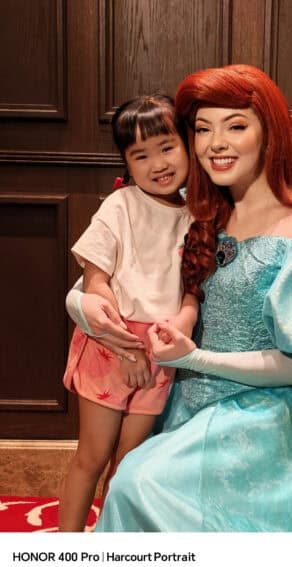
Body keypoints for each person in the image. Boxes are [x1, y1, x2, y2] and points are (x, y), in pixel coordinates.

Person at [70, 65, 292, 531]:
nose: (216, 143)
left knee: (139, 483)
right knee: (126, 473)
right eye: (203, 129)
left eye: (235, 126)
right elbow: (108, 281)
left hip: (267, 414)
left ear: (269, 133)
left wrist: (195, 358)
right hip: (181, 399)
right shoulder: (199, 210)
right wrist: (81, 305)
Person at [59, 94, 197, 532]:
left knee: (129, 463)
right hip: (112, 344)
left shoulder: (199, 214)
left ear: (187, 145)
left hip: (160, 351)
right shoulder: (120, 206)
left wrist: (169, 335)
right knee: (92, 455)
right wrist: (126, 349)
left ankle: (110, 543)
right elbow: (95, 284)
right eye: (141, 155)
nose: (158, 163)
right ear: (127, 163)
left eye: (166, 148)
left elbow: (193, 289)